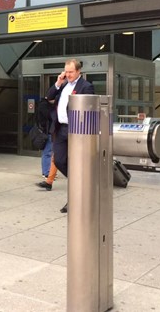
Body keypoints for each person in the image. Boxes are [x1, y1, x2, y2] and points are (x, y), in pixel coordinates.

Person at [46, 58, 95, 212]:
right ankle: (79, 184)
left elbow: (88, 109)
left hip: (76, 131)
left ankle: (76, 199)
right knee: (59, 160)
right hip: (60, 130)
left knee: (77, 164)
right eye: (66, 71)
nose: (68, 74)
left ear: (78, 71)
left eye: (71, 72)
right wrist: (58, 82)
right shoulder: (64, 85)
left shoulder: (86, 87)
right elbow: (49, 97)